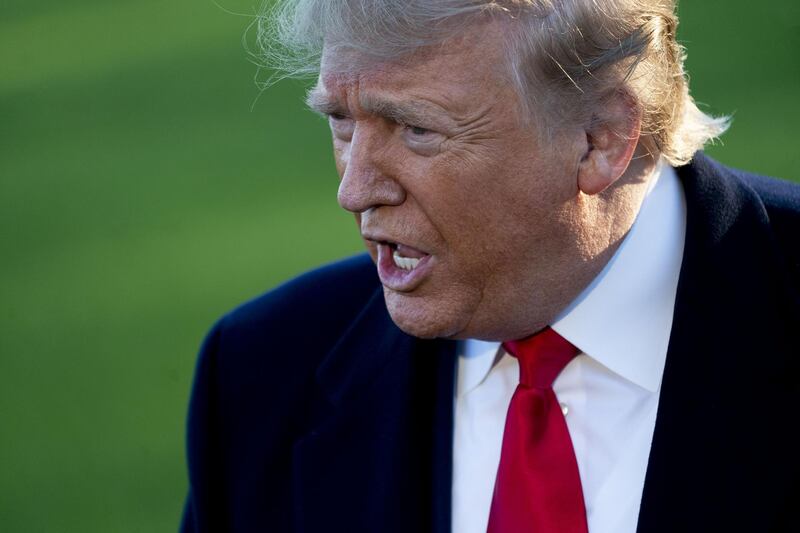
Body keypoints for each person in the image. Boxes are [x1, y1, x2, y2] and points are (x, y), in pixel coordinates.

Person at [180, 1, 800, 532]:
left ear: (601, 138)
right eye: (341, 123)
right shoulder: (259, 378)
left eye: (415, 128)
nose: (356, 189)